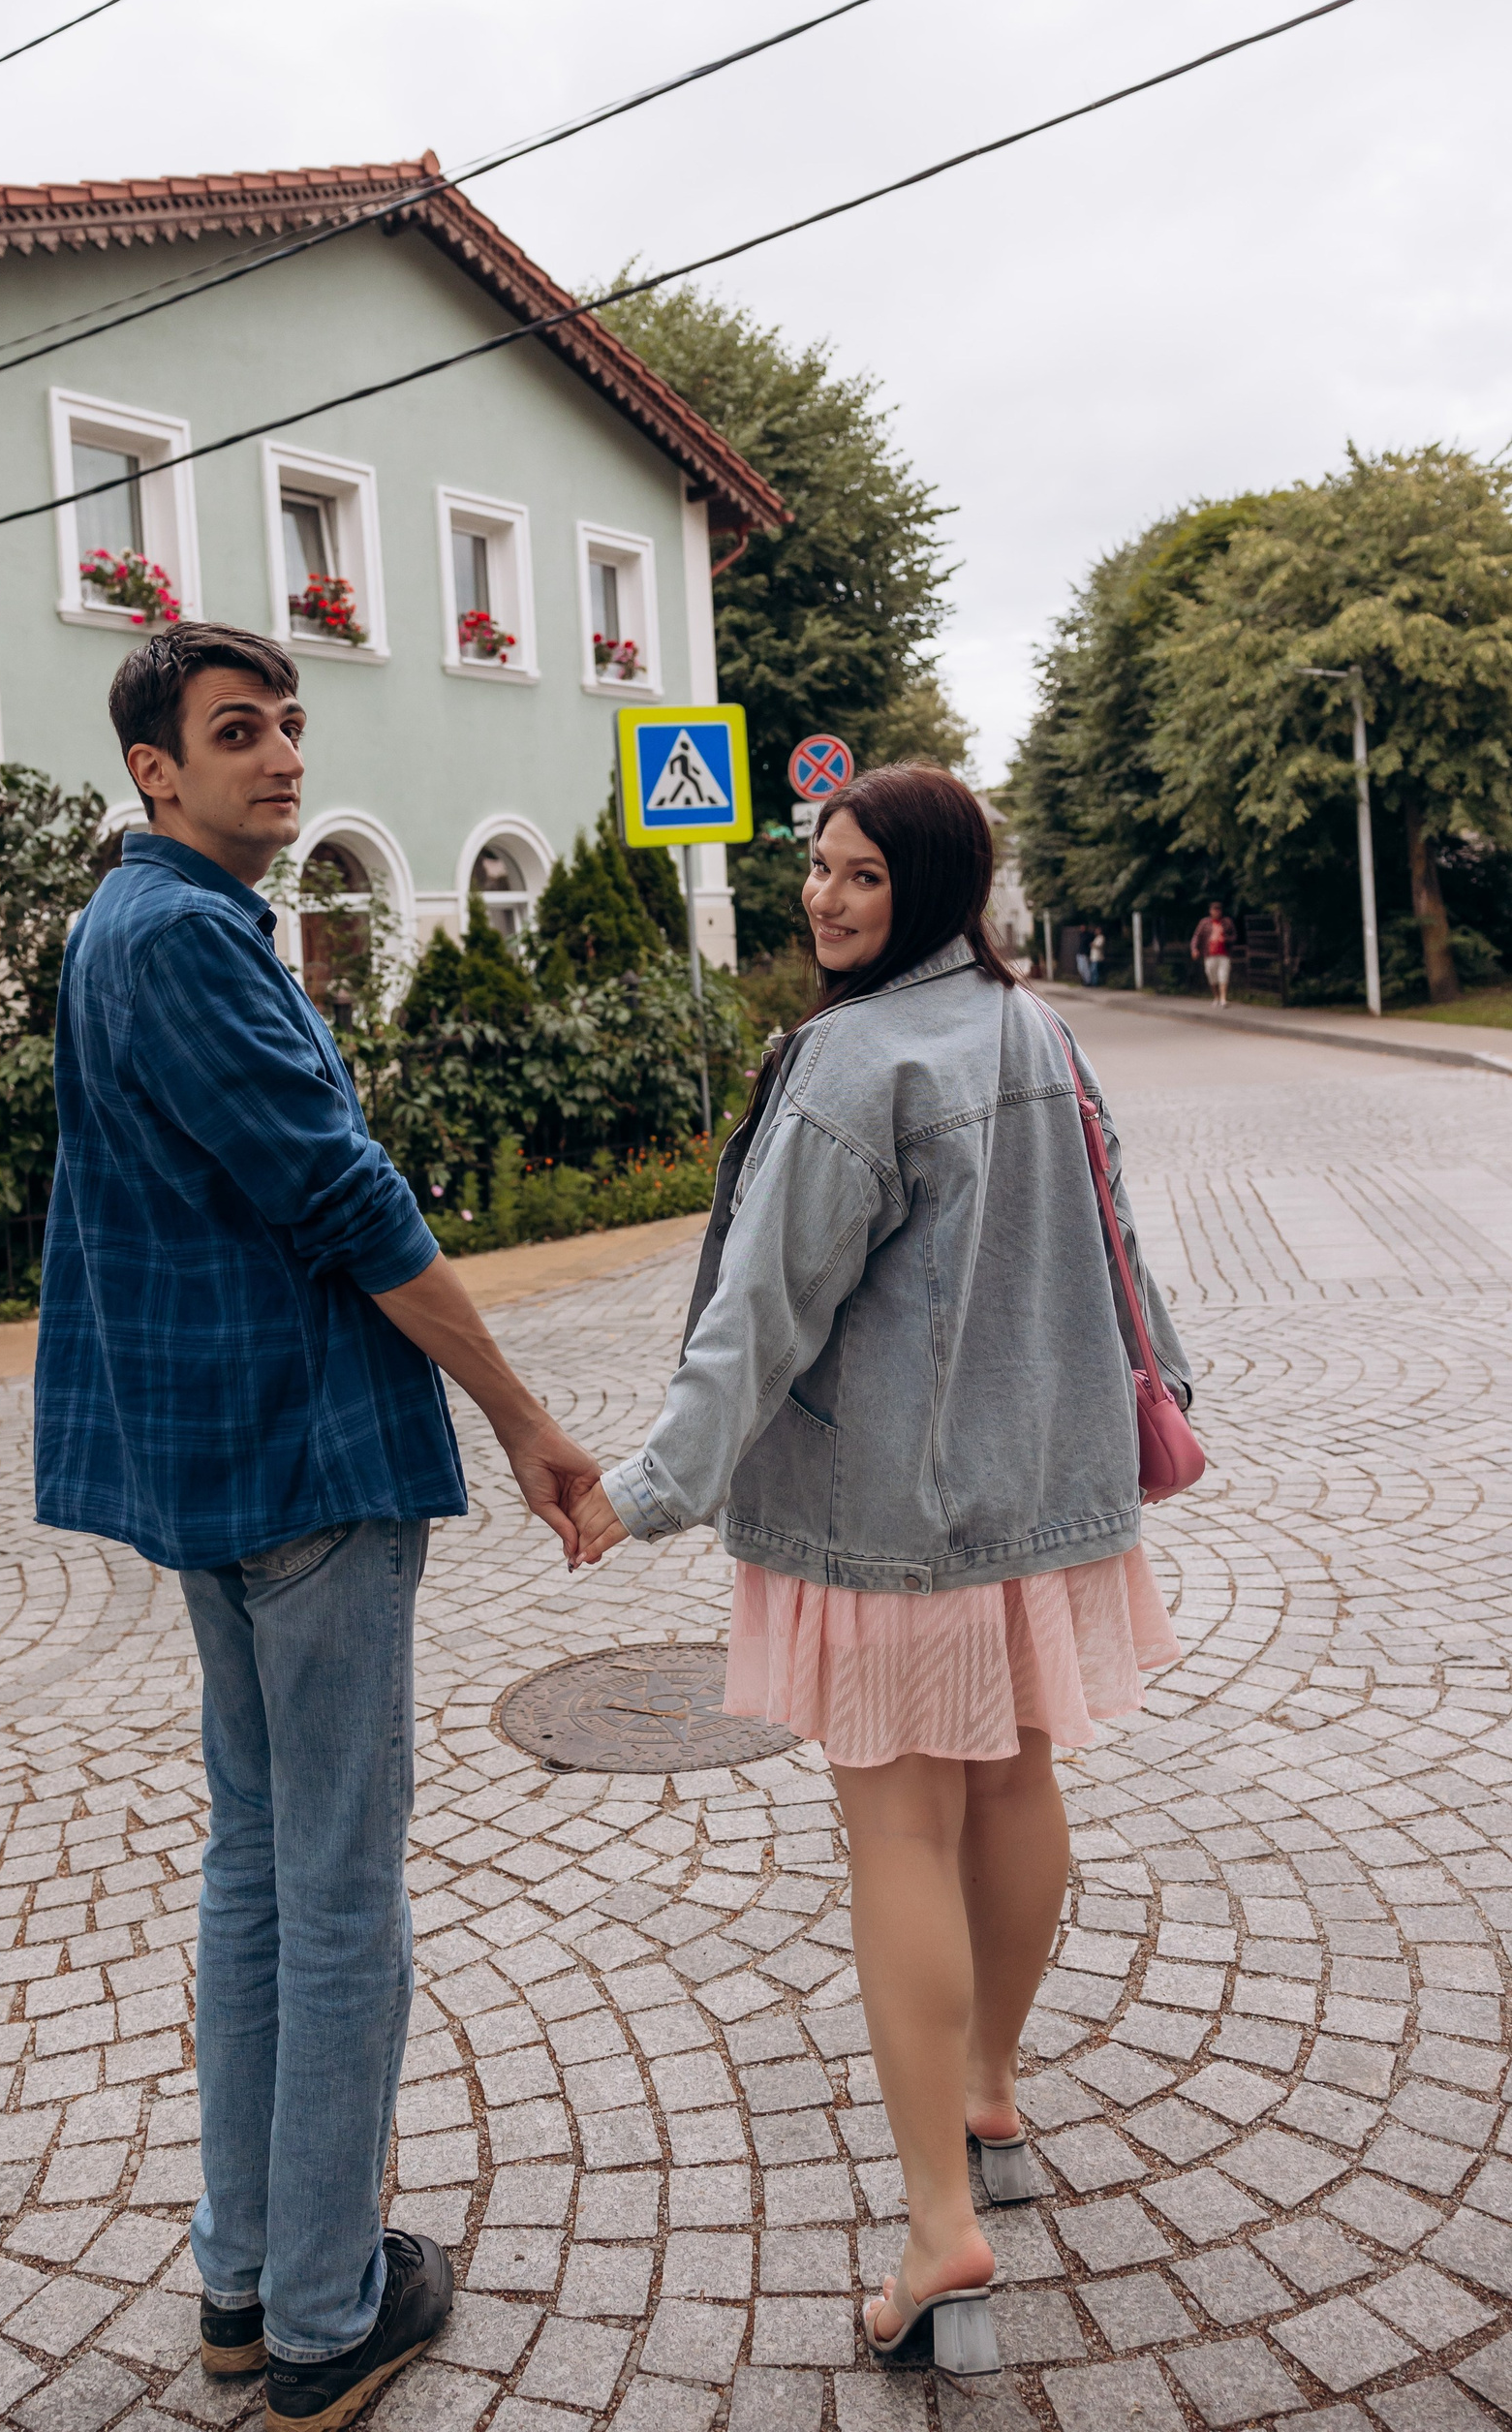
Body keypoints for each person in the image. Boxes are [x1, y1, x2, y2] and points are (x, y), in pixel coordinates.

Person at [35, 622, 600, 2429]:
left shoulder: (127, 926)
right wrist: (521, 1415)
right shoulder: (184, 937)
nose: (282, 753)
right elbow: (344, 1201)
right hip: (303, 1460)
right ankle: (326, 2317)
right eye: (236, 731)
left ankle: (247, 2279)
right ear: (155, 771)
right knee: (336, 1890)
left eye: (287, 722)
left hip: (219, 1467)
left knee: (262, 1868)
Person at [569, 765, 1190, 2379]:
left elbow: (764, 1309)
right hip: (1038, 1496)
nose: (827, 899)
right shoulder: (1033, 1030)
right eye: (818, 870)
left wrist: (650, 1489)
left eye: (862, 875)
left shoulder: (856, 1061)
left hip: (894, 1515)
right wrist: (1158, 1400)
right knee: (1019, 1784)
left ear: (931, 886)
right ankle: (990, 2090)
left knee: (902, 1829)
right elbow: (1117, 1240)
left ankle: (938, 2227)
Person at [1190, 901, 1237, 1006]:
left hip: (1224, 954)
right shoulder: (1204, 923)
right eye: (1214, 910)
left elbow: (1234, 936)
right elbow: (1196, 936)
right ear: (1210, 911)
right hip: (1209, 954)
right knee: (1212, 976)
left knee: (1223, 975)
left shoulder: (1227, 922)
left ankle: (1223, 999)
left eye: (1218, 910)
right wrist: (1194, 949)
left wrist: (1225, 939)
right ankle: (1216, 997)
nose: (1216, 912)